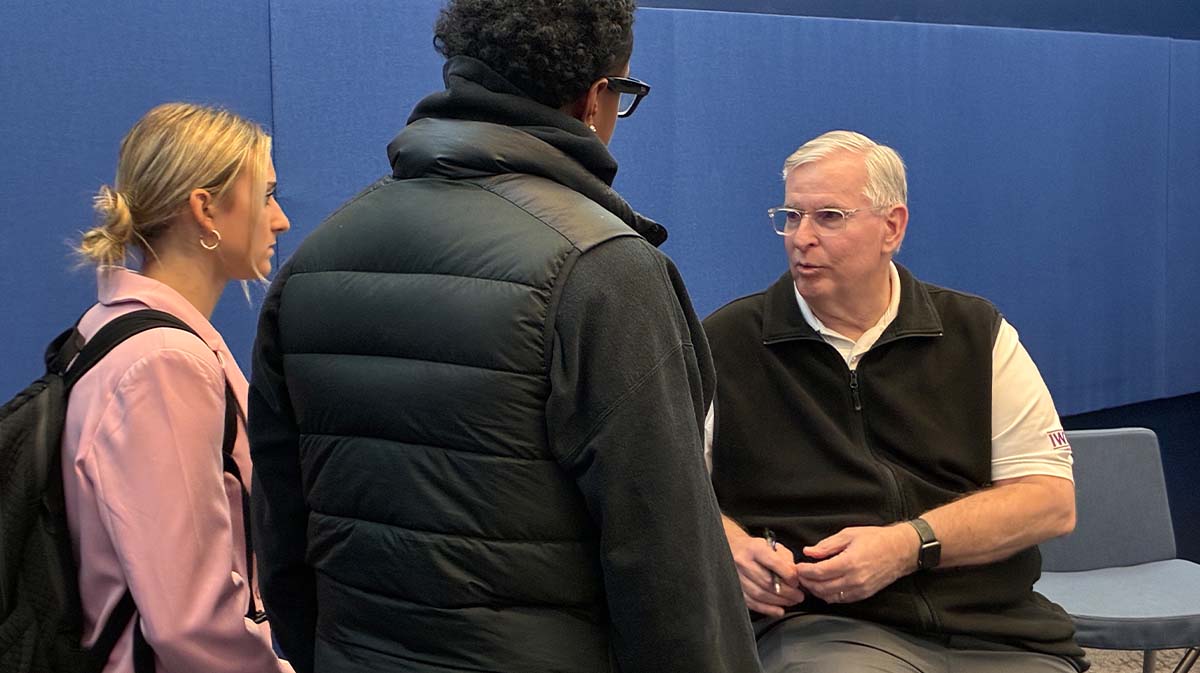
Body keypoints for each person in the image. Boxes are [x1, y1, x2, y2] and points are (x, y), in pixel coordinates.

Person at [247, 1, 759, 673]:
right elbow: (671, 576)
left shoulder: (313, 263)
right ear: (595, 99)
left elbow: (283, 545)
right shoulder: (606, 271)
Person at [703, 130, 1088, 673]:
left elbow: (1049, 500)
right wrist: (730, 547)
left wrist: (908, 546)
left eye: (829, 217)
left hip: (994, 625)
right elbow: (667, 487)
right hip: (826, 628)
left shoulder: (976, 333)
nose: (801, 237)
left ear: (892, 227)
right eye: (791, 216)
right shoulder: (726, 342)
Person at [63, 102, 293, 673]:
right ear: (205, 208)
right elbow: (190, 623)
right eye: (266, 195)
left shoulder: (113, 327)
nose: (281, 219)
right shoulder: (165, 364)